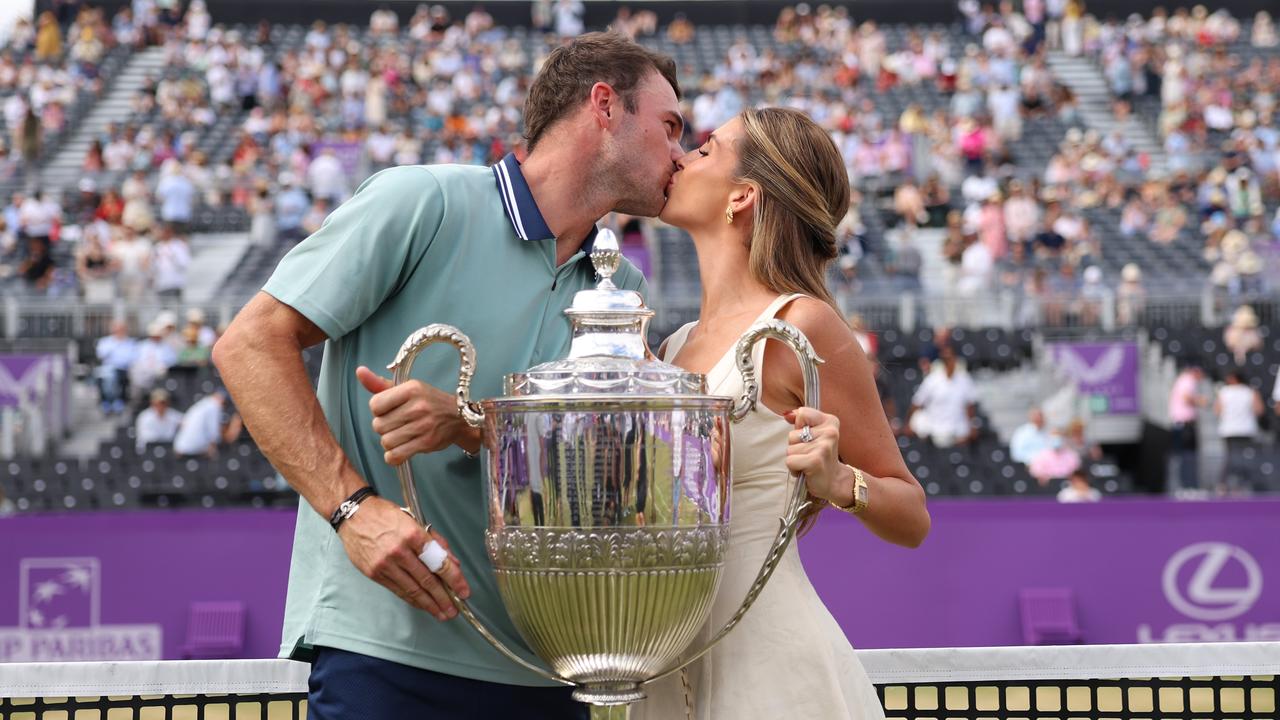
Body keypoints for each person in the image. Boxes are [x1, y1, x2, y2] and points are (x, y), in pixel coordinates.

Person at [213, 33, 683, 719]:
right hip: (386, 655)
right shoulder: (422, 201)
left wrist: (471, 427)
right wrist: (354, 513)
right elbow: (249, 345)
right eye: (670, 127)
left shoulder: (627, 286)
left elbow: (611, 481)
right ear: (604, 107)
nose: (679, 154)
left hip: (551, 667)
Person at [631, 108, 929, 719]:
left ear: (742, 196)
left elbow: (912, 513)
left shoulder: (802, 325)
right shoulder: (671, 346)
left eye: (707, 149)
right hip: (659, 665)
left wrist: (843, 482)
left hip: (771, 675)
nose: (683, 156)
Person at [906, 345, 979, 447]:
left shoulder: (965, 379)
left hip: (958, 432)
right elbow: (917, 403)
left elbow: (970, 405)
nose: (948, 361)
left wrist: (972, 426)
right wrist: (909, 423)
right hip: (935, 430)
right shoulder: (932, 379)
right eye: (945, 359)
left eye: (950, 358)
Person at [1214, 371, 1262, 496]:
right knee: (1245, 458)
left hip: (1229, 430)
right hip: (1246, 429)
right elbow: (1259, 410)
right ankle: (1241, 484)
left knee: (1229, 458)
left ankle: (1224, 485)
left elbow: (1217, 411)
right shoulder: (1250, 391)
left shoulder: (1224, 391)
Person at [1167, 364, 1205, 496]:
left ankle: (1186, 486)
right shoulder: (1188, 380)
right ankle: (1188, 487)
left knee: (1185, 457)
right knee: (1187, 457)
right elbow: (1186, 398)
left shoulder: (1183, 379)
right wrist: (1201, 401)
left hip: (1181, 424)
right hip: (1184, 424)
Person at [172, 390, 242, 457]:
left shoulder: (205, 403)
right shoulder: (214, 406)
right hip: (191, 449)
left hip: (181, 447)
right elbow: (214, 435)